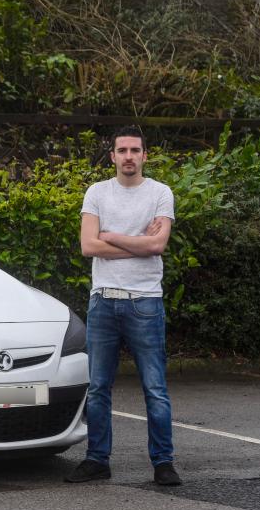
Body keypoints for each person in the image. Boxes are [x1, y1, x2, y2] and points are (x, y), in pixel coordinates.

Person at [65, 126, 182, 486]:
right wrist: (137, 241)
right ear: (112, 156)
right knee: (98, 387)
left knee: (154, 387)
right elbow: (88, 247)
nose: (129, 156)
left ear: (145, 155)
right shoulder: (97, 192)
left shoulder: (160, 193)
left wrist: (111, 236)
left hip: (145, 302)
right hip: (104, 303)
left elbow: (157, 246)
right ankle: (97, 459)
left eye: (135, 150)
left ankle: (163, 462)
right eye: (122, 150)